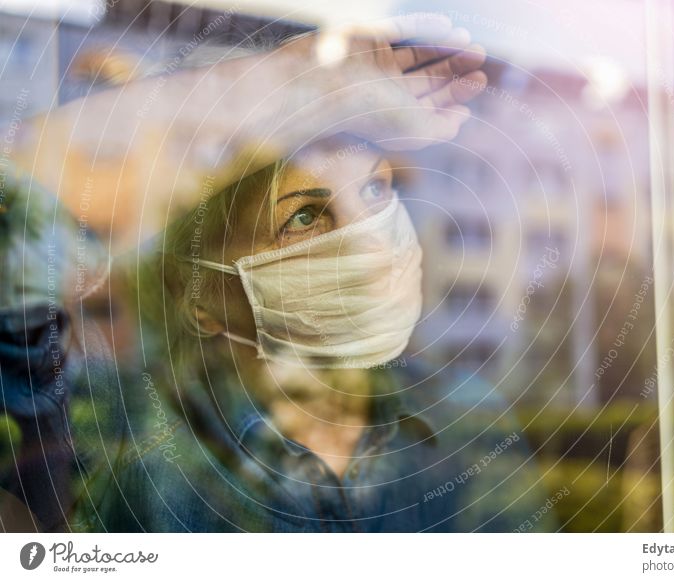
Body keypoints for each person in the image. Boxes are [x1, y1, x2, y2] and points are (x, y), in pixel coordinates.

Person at [0, 15, 553, 532]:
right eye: (305, 217)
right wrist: (287, 80)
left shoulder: (463, 418)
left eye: (376, 190)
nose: (367, 238)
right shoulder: (159, 479)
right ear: (208, 296)